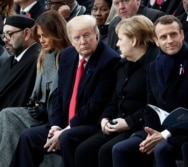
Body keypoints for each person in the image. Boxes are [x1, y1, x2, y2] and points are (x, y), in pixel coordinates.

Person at [10, 14, 120, 167]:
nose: (83, 42)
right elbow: (58, 94)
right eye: (77, 38)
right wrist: (55, 125)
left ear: (97, 33)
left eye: (87, 35)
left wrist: (65, 130)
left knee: (67, 138)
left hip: (90, 124)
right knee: (29, 136)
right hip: (63, 124)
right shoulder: (67, 55)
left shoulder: (109, 60)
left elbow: (96, 105)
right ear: (70, 39)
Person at [112, 15, 188, 167]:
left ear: (182, 34)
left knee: (161, 149)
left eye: (173, 34)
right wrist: (151, 133)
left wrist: (165, 134)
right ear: (156, 41)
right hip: (158, 129)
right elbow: (150, 104)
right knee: (120, 149)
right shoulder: (153, 67)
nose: (170, 40)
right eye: (163, 37)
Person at [75, 15, 158, 167]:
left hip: (141, 125)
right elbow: (114, 98)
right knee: (84, 150)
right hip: (118, 123)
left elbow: (155, 104)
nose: (117, 44)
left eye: (120, 39)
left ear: (133, 41)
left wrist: (129, 122)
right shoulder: (123, 64)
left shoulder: (155, 65)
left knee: (107, 151)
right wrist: (105, 118)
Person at [0, 10, 71, 167]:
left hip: (57, 118)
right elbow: (37, 94)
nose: (41, 41)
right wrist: (36, 104)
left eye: (45, 36)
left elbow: (61, 95)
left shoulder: (66, 56)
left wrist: (47, 110)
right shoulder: (44, 56)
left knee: (7, 116)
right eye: (39, 36)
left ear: (56, 33)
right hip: (40, 113)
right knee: (7, 115)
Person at [0, 15, 39, 110]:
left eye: (10, 34)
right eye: (4, 35)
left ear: (26, 33)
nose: (5, 39)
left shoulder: (36, 59)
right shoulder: (9, 61)